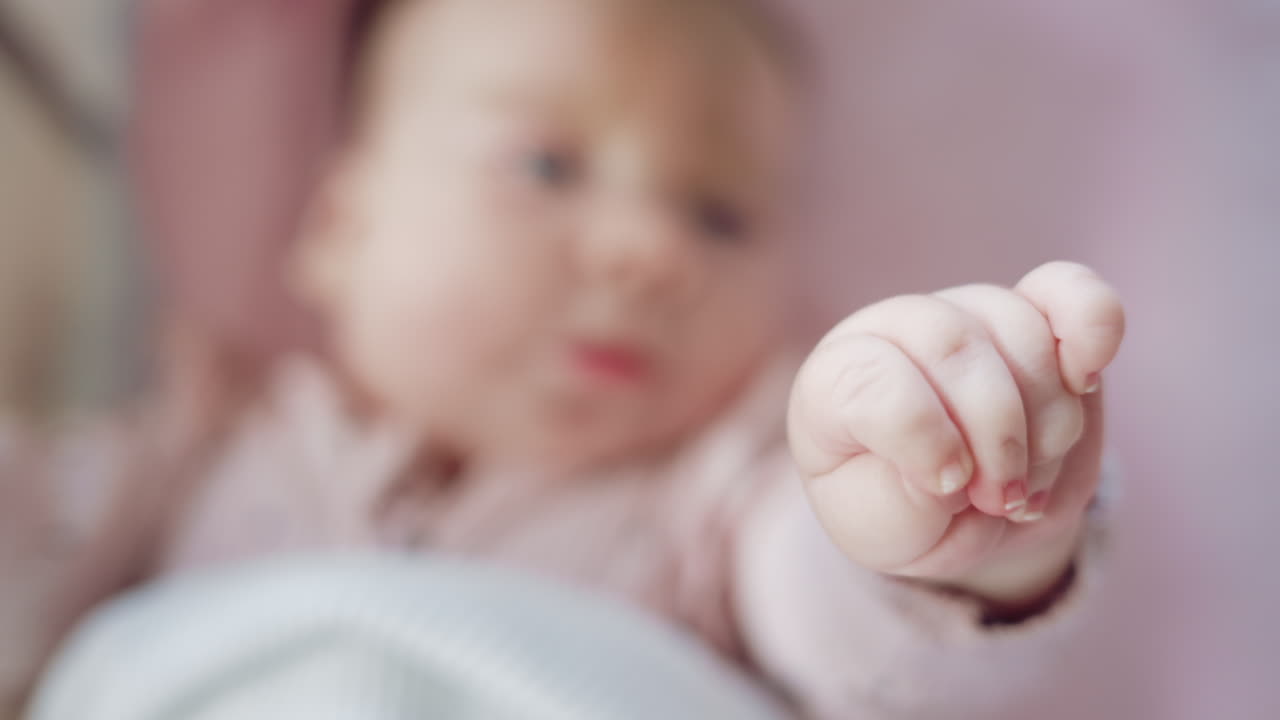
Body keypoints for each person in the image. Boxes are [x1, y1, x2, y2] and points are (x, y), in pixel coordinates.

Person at [0, 0, 1125, 717]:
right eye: (544, 167)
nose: (647, 252)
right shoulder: (201, 436)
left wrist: (921, 526)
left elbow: (853, 651)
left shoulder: (721, 496)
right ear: (338, 225)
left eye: (718, 216)